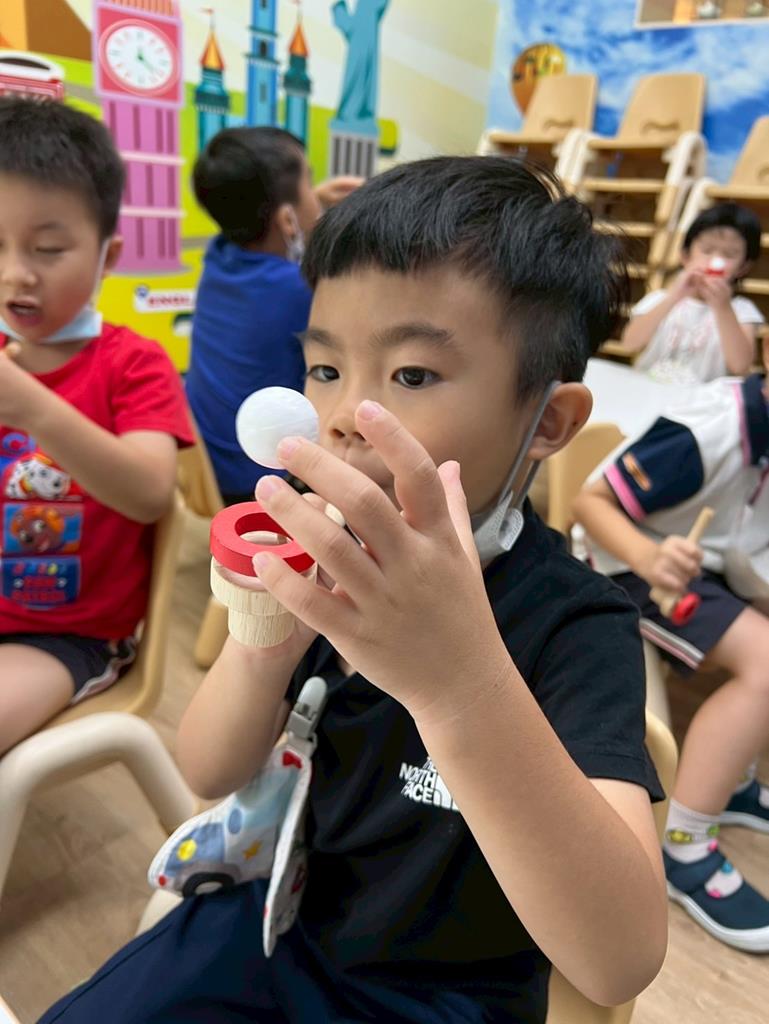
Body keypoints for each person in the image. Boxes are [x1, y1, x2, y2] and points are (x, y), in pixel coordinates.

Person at [40, 158, 667, 1024]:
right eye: (324, 369)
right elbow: (209, 767)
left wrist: (456, 682)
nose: (336, 418)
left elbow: (617, 961)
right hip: (274, 926)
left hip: (442, 996)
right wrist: (267, 640)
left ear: (546, 422)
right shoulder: (319, 556)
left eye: (411, 375)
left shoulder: (576, 625)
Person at [0, 97, 193, 756]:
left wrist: (31, 407)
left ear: (107, 257)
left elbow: (148, 493)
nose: (15, 272)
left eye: (48, 249)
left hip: (66, 635)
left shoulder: (134, 363)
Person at [573, 348, 769, 953]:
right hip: (626, 566)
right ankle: (683, 845)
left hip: (711, 562)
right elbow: (590, 502)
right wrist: (650, 558)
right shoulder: (709, 427)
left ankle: (732, 781)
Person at [185, 127, 361, 504]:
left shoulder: (219, 255)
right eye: (309, 182)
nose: (316, 194)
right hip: (256, 474)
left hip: (208, 459)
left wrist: (308, 203)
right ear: (286, 220)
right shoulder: (297, 291)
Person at [621, 202, 763, 384]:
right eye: (707, 251)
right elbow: (629, 344)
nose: (715, 261)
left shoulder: (742, 310)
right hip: (650, 389)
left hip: (705, 399)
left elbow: (740, 367)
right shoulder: (659, 299)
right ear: (686, 255)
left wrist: (723, 308)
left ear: (743, 267)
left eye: (729, 255)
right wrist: (674, 296)